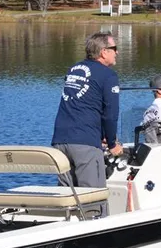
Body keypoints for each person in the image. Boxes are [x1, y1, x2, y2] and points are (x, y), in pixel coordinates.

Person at [52, 32, 123, 190]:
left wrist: (102, 134)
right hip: (85, 143)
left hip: (60, 140)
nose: (117, 52)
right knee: (93, 196)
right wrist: (112, 143)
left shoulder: (74, 69)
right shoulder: (108, 75)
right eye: (114, 48)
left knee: (68, 195)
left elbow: (83, 103)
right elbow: (110, 114)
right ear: (104, 51)